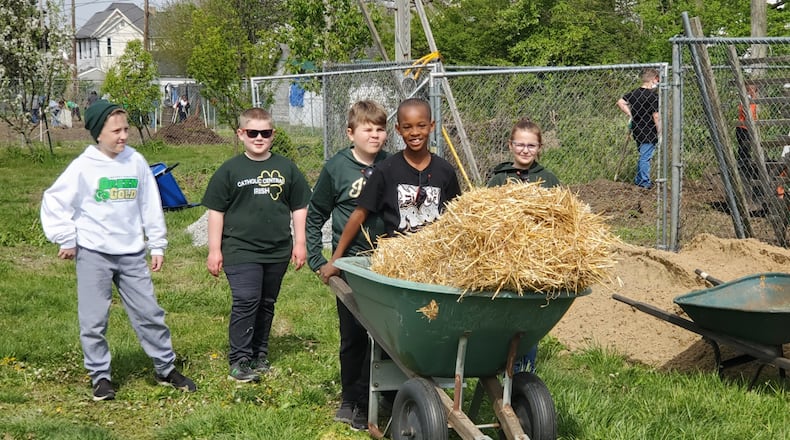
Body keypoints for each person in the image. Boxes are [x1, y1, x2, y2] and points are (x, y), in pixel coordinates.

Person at [39, 100, 197, 401]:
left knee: (149, 312)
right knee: (94, 319)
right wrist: (66, 238)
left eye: (126, 129)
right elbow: (54, 200)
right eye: (116, 131)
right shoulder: (84, 166)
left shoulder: (135, 161)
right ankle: (100, 377)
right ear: (99, 133)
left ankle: (165, 369)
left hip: (131, 253)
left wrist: (157, 244)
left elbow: (150, 205)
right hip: (93, 254)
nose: (123, 136)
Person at [202, 107, 312, 383]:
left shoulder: (287, 168)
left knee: (266, 302)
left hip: (277, 249)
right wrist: (214, 250)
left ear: (273, 134)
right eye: (253, 132)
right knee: (246, 300)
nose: (259, 138)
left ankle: (259, 354)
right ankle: (239, 360)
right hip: (240, 249)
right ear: (241, 134)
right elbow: (216, 211)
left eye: (265, 133)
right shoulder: (230, 170)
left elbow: (300, 206)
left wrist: (300, 243)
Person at [306, 100, 389, 431]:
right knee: (353, 335)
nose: (375, 135)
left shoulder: (391, 165)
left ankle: (385, 395)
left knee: (385, 336)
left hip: (386, 263)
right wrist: (317, 259)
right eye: (367, 129)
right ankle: (352, 399)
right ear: (350, 132)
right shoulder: (336, 167)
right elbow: (315, 215)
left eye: (380, 129)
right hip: (350, 264)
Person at [320, 98, 462, 281]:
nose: (415, 132)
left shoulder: (445, 171)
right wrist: (335, 260)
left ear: (432, 126)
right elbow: (359, 214)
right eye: (407, 127)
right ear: (398, 129)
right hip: (399, 264)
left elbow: (457, 217)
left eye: (421, 125)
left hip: (437, 264)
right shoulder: (386, 170)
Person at [487, 117, 560, 374]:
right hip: (505, 261)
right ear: (510, 145)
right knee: (504, 316)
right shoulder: (499, 180)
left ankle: (524, 375)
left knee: (529, 318)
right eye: (520, 145)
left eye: (531, 145)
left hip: (537, 263)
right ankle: (496, 367)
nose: (525, 150)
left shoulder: (548, 180)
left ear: (539, 147)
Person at [617, 68, 661, 190]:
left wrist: (631, 114)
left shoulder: (634, 93)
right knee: (645, 157)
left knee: (643, 154)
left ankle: (639, 179)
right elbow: (656, 116)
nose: (658, 82)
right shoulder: (653, 96)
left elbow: (620, 102)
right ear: (653, 79)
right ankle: (644, 182)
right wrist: (659, 130)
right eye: (657, 79)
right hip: (649, 129)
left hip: (637, 129)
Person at [736, 83, 760, 198]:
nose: (754, 92)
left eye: (754, 90)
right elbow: (747, 113)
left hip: (747, 127)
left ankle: (745, 162)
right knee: (744, 148)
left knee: (746, 148)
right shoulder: (747, 100)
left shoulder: (752, 100)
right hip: (744, 127)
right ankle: (743, 164)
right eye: (751, 90)